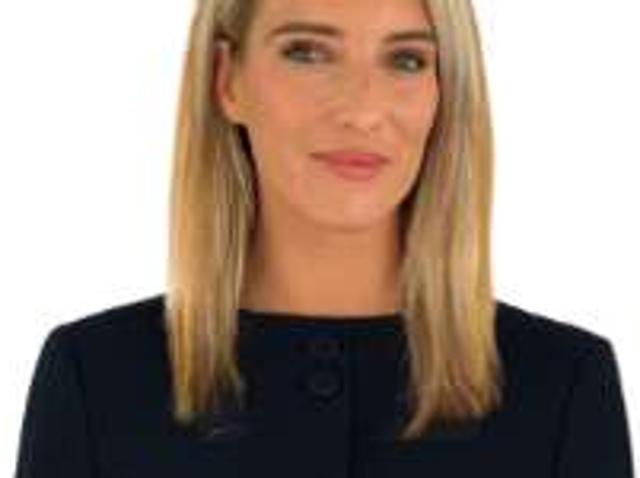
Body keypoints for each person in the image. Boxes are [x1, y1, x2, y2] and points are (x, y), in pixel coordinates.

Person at [13, 0, 635, 476]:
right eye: (308, 52)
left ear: (444, 94)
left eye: (406, 60)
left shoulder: (562, 389)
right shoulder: (97, 383)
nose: (362, 110)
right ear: (227, 81)